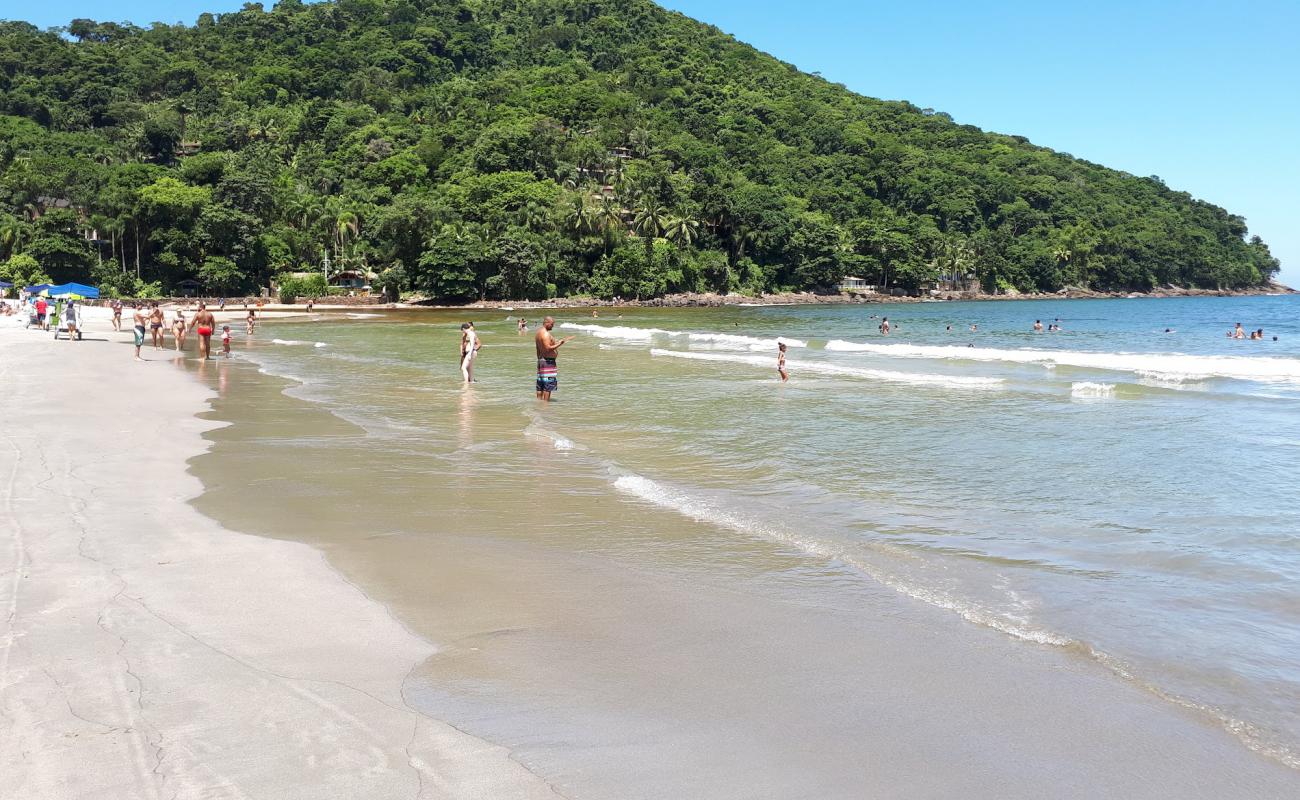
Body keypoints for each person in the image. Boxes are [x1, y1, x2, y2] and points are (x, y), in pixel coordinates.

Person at [534, 316, 572, 402]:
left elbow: (538, 348)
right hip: (548, 362)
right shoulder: (546, 334)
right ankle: (545, 406)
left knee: (541, 384)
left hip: (541, 361)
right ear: (546, 323)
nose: (553, 326)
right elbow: (548, 348)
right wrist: (560, 343)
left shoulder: (538, 333)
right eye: (552, 324)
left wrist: (539, 359)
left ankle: (539, 403)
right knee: (548, 385)